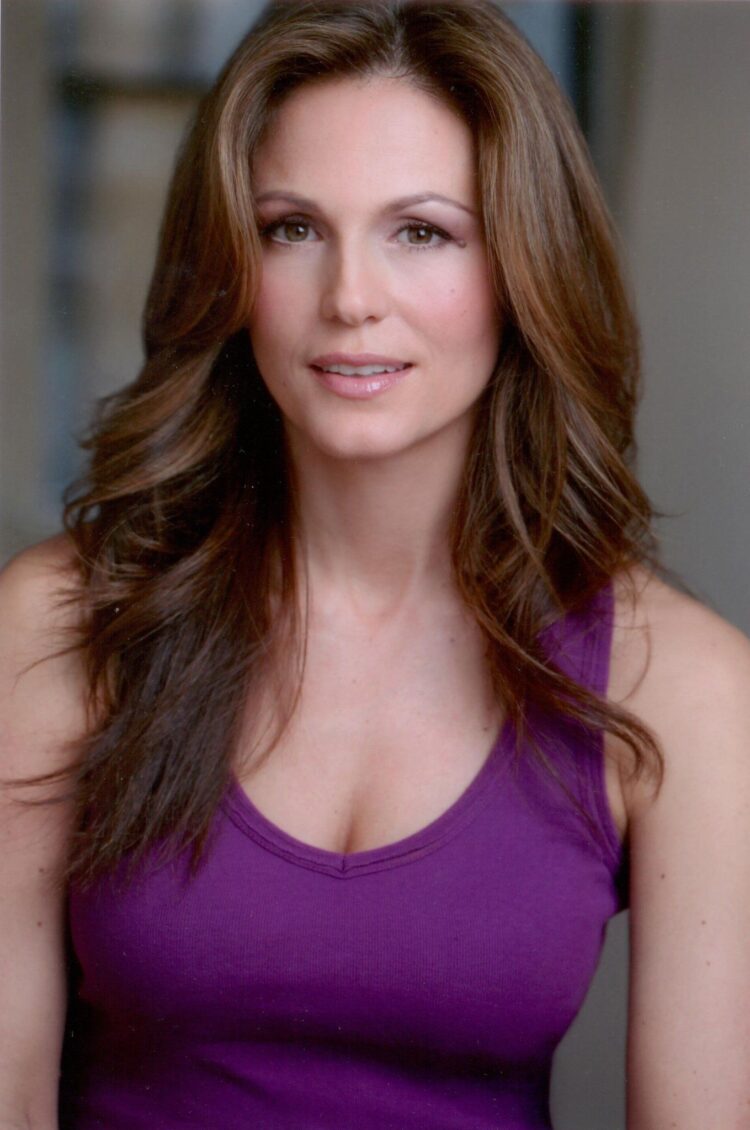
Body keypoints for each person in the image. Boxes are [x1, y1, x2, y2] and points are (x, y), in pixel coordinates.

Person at [1, 1, 748, 1127]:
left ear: (523, 267)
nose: (350, 298)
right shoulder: (61, 622)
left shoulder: (682, 688)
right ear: (232, 264)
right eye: (293, 228)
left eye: (423, 233)